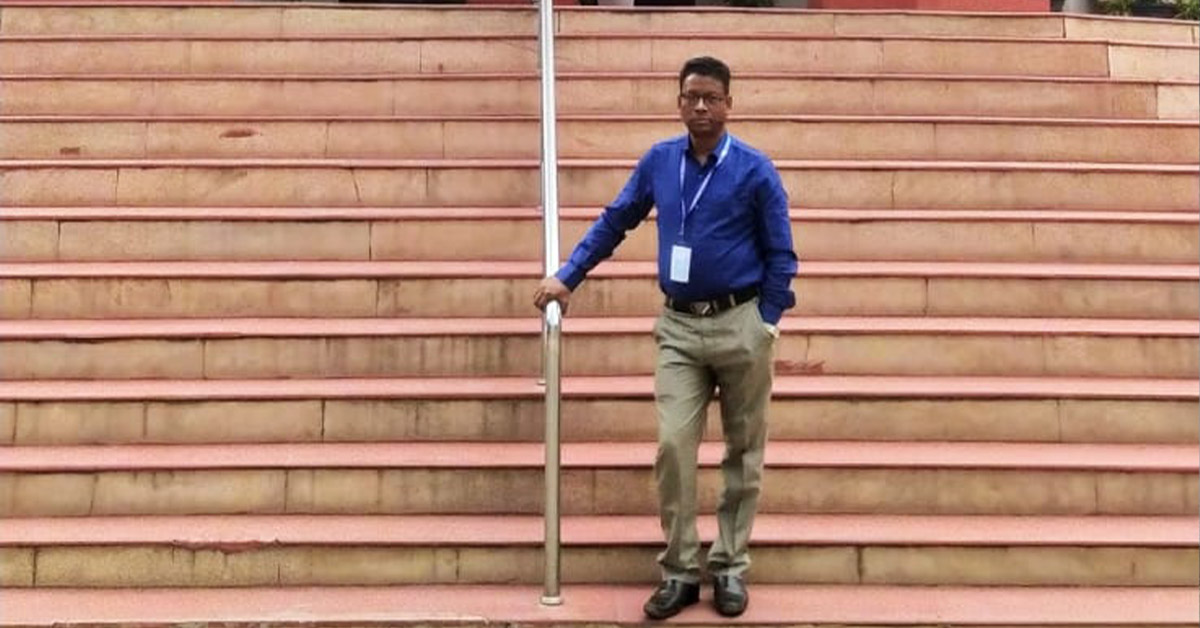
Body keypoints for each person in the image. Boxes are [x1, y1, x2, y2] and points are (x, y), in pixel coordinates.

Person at [533, 55, 797, 619]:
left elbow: (782, 254)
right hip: (678, 328)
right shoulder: (660, 162)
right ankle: (679, 570)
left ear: (730, 103)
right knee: (674, 447)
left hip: (740, 323)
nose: (700, 106)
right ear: (678, 102)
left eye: (711, 97)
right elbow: (617, 220)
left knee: (743, 452)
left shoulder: (755, 170)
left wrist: (767, 320)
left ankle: (729, 567)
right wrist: (568, 275)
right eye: (691, 96)